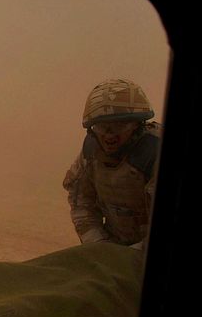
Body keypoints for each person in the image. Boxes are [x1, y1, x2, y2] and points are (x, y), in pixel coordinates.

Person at [62, 78, 162, 246]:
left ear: (137, 125)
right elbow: (81, 204)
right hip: (111, 248)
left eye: (119, 125)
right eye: (102, 127)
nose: (109, 135)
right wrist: (99, 245)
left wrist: (129, 256)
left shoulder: (154, 154)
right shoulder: (91, 151)